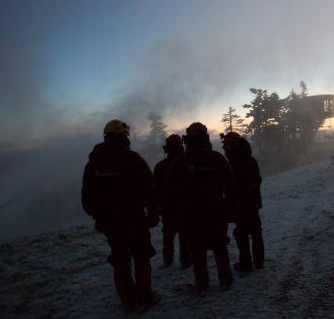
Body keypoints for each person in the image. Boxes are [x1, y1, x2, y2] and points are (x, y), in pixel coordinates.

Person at [81, 119, 161, 312]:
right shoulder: (132, 158)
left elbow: (87, 198)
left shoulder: (94, 163)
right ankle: (144, 298)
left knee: (119, 258)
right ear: (124, 136)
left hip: (110, 222)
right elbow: (150, 188)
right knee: (141, 255)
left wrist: (99, 216)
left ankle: (127, 300)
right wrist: (152, 214)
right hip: (135, 218)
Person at [164, 122, 237, 296]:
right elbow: (231, 187)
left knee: (197, 250)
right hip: (216, 212)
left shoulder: (180, 161)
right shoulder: (217, 158)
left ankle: (202, 284)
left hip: (190, 214)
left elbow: (169, 191)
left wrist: (173, 213)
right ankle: (225, 280)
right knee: (219, 247)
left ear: (188, 138)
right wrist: (231, 209)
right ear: (206, 138)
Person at [221, 132, 264, 273]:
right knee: (256, 230)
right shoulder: (250, 159)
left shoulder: (233, 162)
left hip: (241, 204)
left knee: (241, 233)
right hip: (252, 202)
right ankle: (259, 261)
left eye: (226, 144)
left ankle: (246, 263)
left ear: (233, 145)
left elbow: (231, 185)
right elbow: (257, 180)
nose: (224, 147)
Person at [153, 134, 191, 269]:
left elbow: (154, 190)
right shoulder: (188, 163)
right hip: (186, 206)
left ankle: (168, 261)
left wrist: (156, 208)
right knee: (184, 235)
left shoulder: (161, 166)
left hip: (167, 207)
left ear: (167, 148)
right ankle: (185, 262)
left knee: (168, 235)